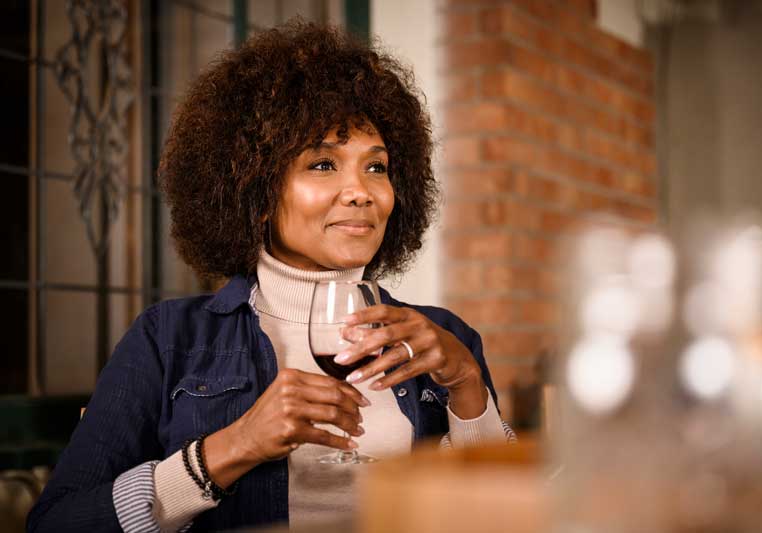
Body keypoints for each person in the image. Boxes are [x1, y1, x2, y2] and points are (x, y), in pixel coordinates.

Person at [27, 21, 513, 532]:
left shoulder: (446, 339)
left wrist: (467, 387)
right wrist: (234, 447)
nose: (361, 192)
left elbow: (501, 518)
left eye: (377, 167)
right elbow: (57, 524)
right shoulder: (167, 340)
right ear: (256, 193)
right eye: (323, 164)